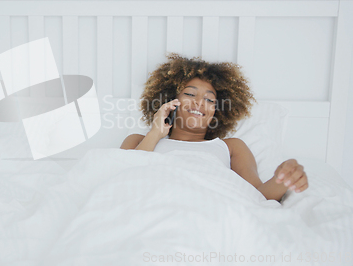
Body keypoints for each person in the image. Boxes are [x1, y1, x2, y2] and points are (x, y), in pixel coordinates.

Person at [120, 53, 308, 202]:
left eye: (209, 99)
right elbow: (121, 180)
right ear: (170, 101)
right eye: (190, 94)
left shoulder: (232, 147)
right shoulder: (138, 141)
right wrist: (155, 133)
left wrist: (284, 179)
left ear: (217, 112)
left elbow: (258, 196)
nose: (199, 102)